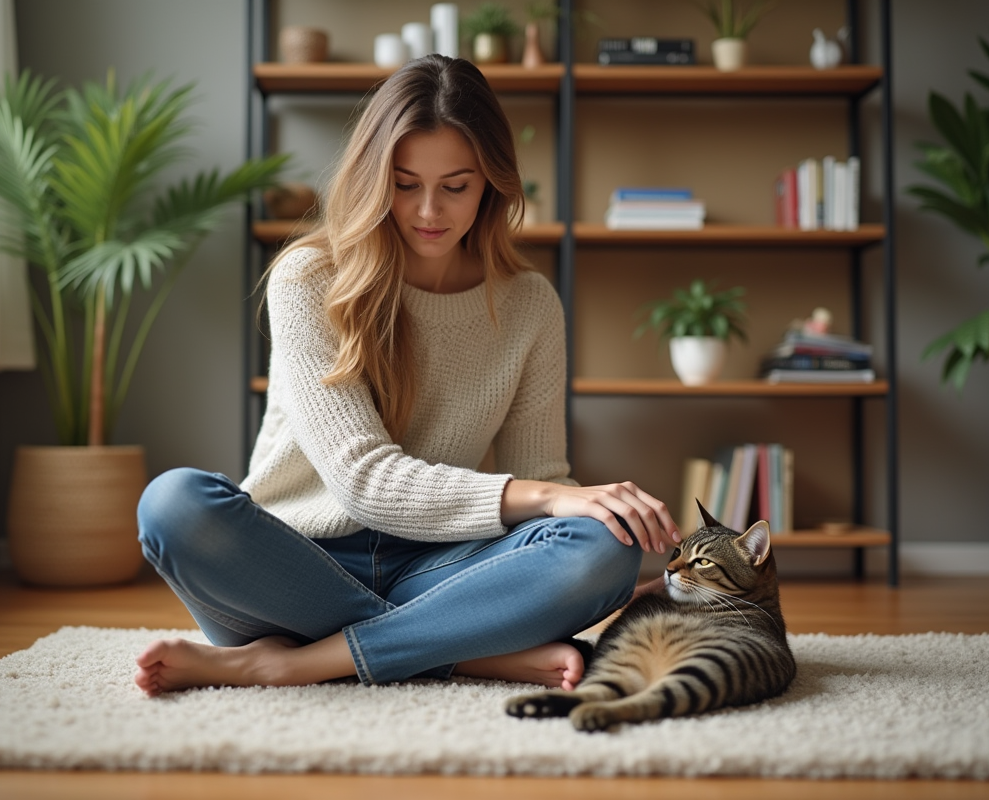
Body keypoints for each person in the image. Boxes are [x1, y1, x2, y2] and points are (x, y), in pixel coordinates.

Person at [134, 55, 680, 697]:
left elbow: (545, 475)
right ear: (372, 179)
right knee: (173, 505)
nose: (429, 211)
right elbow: (363, 480)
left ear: (492, 184)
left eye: (456, 185)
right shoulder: (309, 278)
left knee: (602, 546)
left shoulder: (530, 304)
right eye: (403, 183)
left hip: (441, 564)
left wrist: (574, 506)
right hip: (297, 560)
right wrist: (544, 501)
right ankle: (461, 651)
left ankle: (296, 661)